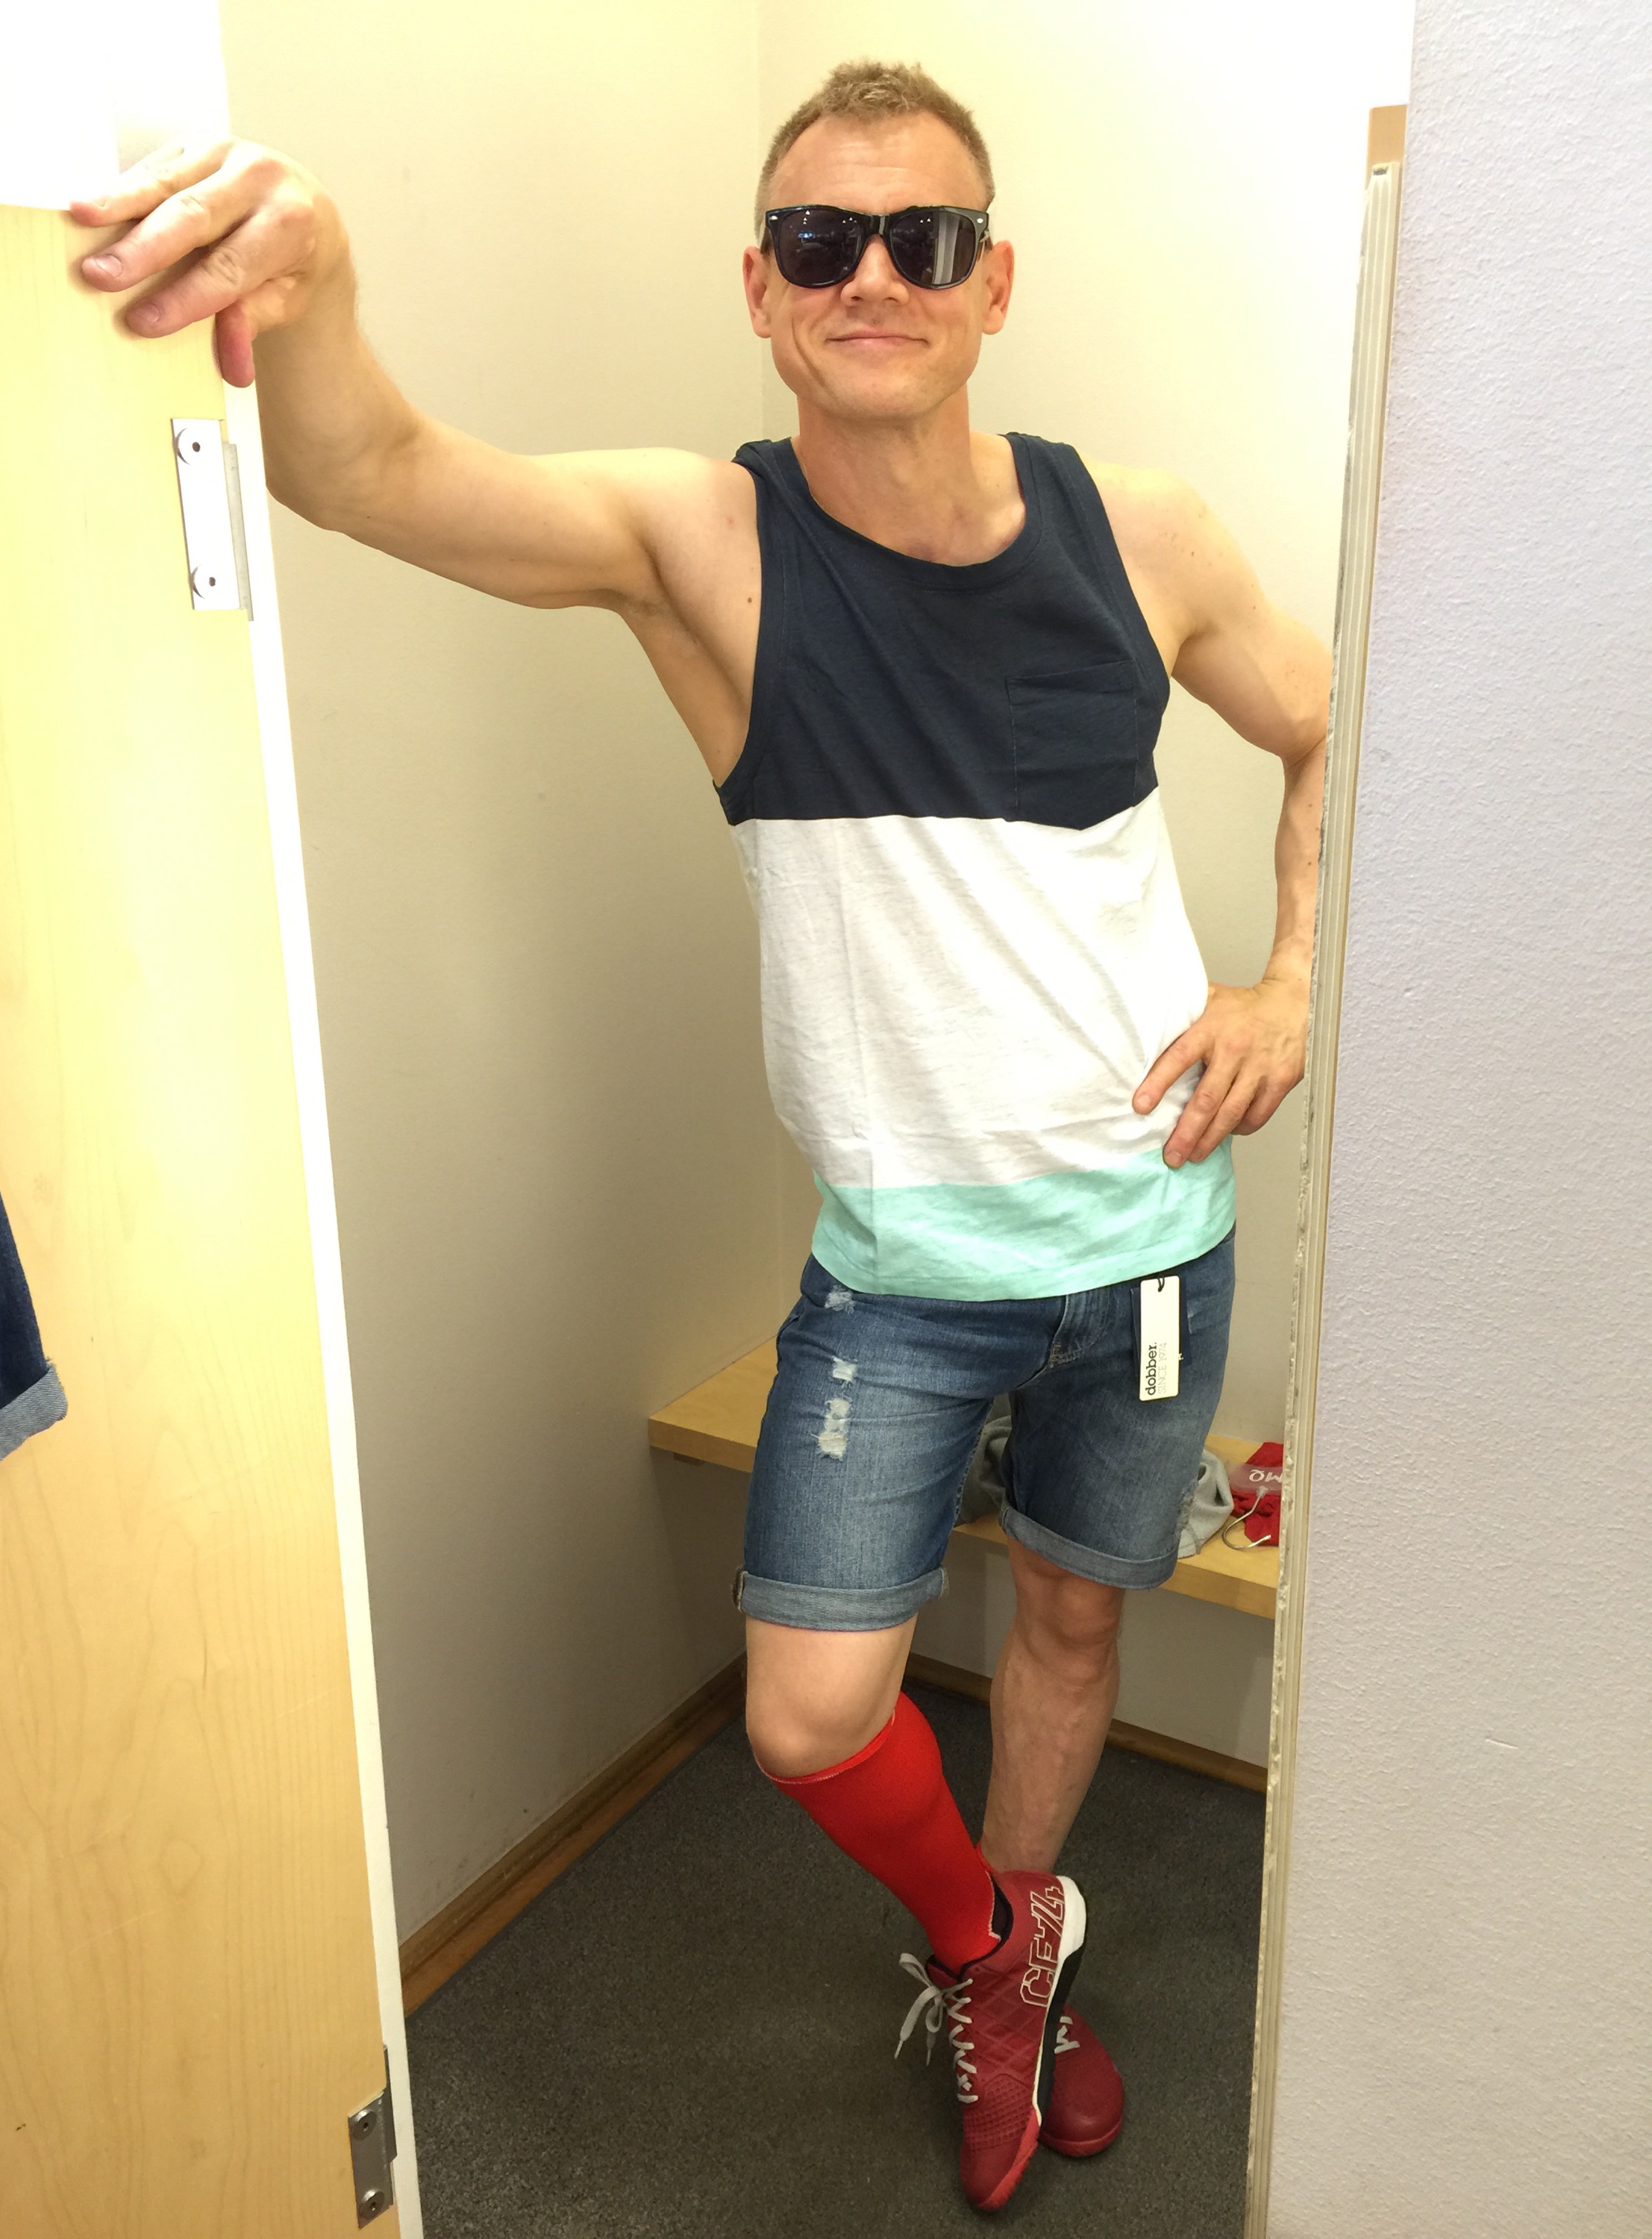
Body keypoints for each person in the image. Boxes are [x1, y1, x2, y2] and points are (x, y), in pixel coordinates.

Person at [76, 59, 1330, 2214]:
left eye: (924, 238)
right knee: (810, 1715)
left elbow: (1329, 731)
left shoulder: (1147, 537)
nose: (873, 276)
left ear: (993, 281)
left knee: (1071, 1627)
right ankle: (990, 1942)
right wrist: (319, 279)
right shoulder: (704, 544)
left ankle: (1015, 1974)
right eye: (822, 241)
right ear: (761, 288)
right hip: (898, 1283)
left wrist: (1289, 981)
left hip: (1144, 1248)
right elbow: (370, 470)